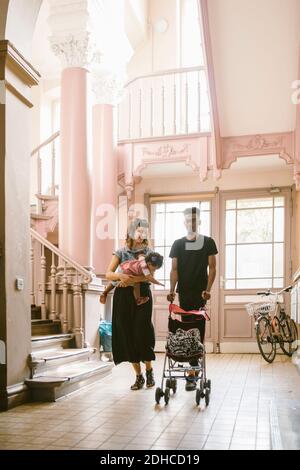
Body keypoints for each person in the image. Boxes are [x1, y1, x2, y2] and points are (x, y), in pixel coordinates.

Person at [167, 207, 218, 391]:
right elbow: (174, 270)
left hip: (199, 294)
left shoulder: (208, 242)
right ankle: (188, 362)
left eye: (195, 220)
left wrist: (208, 289)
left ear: (200, 222)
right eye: (189, 220)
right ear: (185, 223)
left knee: (197, 330)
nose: (192, 223)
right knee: (185, 329)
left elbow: (212, 268)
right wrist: (172, 290)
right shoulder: (178, 244)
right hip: (184, 294)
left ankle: (193, 372)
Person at [106, 218, 156, 390]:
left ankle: (149, 371)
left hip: (143, 293)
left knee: (141, 332)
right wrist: (121, 277)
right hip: (123, 295)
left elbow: (149, 276)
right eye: (139, 230)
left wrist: (132, 279)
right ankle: (138, 376)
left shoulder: (149, 253)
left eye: (145, 231)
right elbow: (108, 274)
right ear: (131, 232)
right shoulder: (120, 252)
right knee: (127, 333)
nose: (142, 234)